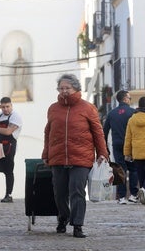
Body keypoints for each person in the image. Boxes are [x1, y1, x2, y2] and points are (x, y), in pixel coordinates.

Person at [42, 74, 108, 238]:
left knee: (77, 191)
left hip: (81, 158)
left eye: (67, 88)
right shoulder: (53, 108)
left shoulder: (87, 108)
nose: (64, 91)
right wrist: (46, 153)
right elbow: (48, 132)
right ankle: (63, 217)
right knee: (59, 192)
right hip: (58, 157)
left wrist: (102, 153)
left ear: (76, 89)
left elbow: (97, 132)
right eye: (61, 88)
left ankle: (77, 225)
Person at [103, 90, 138, 204]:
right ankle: (133, 195)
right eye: (129, 98)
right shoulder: (133, 112)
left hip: (117, 144)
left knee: (120, 169)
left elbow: (105, 131)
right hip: (130, 145)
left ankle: (121, 197)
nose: (130, 100)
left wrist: (105, 147)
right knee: (133, 169)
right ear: (125, 99)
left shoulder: (111, 113)